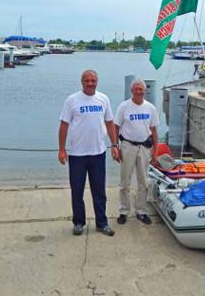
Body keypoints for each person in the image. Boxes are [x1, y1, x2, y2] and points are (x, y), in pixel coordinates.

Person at [58, 69, 120, 236]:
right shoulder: (72, 100)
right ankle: (78, 222)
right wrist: (62, 149)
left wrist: (115, 145)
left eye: (93, 80)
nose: (90, 83)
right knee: (77, 191)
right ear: (82, 82)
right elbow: (64, 125)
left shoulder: (103, 99)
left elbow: (110, 123)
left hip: (98, 154)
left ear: (97, 81)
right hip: (77, 155)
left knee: (99, 191)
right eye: (87, 80)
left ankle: (102, 223)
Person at [115, 79, 159, 225]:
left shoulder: (151, 108)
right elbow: (116, 127)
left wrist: (155, 151)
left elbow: (154, 131)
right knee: (125, 181)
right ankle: (124, 210)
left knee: (143, 181)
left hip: (145, 147)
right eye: (136, 89)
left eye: (141, 89)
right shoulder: (124, 107)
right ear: (131, 91)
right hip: (127, 146)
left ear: (144, 91)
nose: (139, 92)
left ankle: (141, 210)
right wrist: (115, 147)